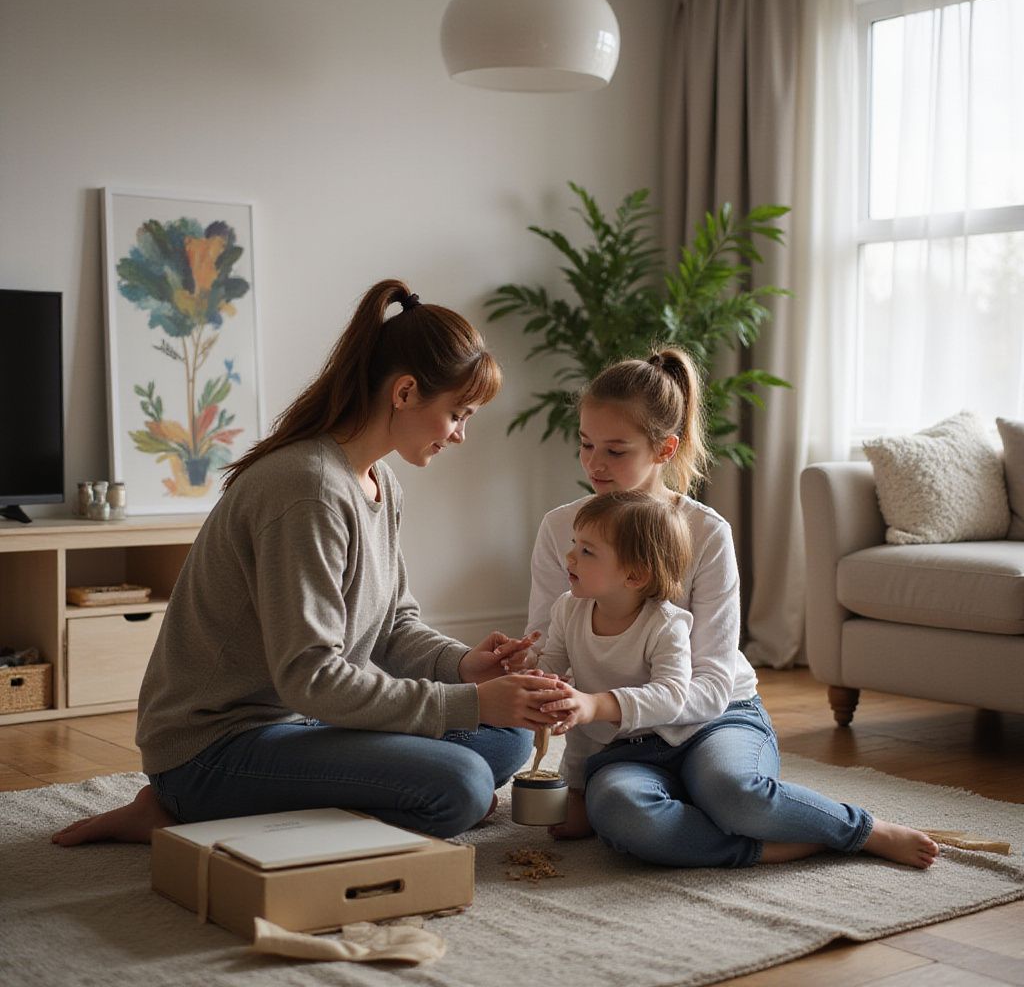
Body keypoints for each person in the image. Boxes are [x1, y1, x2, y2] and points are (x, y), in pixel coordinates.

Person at [53, 278, 571, 847]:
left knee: (508, 738)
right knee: (462, 785)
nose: (461, 435)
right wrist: (467, 702)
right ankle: (180, 808)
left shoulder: (379, 482)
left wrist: (465, 667)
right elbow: (310, 677)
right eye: (458, 413)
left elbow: (393, 626)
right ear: (404, 393)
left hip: (306, 724)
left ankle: (297, 805)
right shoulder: (309, 491)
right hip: (218, 747)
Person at [528, 348, 940, 869]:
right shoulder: (561, 528)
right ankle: (769, 845)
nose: (594, 464)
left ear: (664, 448)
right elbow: (553, 656)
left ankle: (860, 829)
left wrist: (602, 704)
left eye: (615, 450)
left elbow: (711, 685)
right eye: (586, 444)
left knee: (736, 795)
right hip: (626, 742)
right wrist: (571, 763)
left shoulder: (706, 533)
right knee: (624, 814)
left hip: (715, 720)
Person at [532, 490, 694, 840]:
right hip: (596, 748)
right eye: (575, 543)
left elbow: (672, 696)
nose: (569, 556)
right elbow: (551, 666)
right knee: (565, 824)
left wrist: (594, 704)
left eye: (586, 551)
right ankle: (593, 790)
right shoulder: (567, 609)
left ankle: (681, 796)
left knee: (621, 815)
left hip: (661, 749)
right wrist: (531, 676)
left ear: (634, 576)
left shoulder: (666, 625)